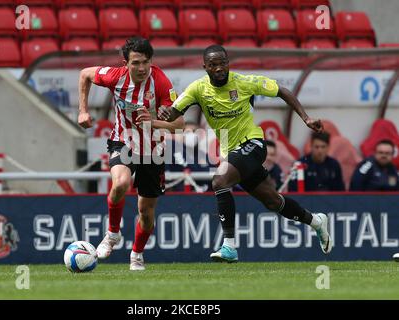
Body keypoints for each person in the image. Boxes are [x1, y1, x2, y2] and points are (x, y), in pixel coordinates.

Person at [159, 45, 332, 262]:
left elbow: (282, 91)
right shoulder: (197, 89)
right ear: (205, 67)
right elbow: (173, 114)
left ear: (228, 62)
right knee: (272, 201)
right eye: (213, 65)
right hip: (233, 153)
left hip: (253, 144)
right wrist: (165, 113)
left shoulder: (244, 82)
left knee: (220, 181)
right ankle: (316, 221)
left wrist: (306, 118)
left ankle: (229, 246)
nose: (219, 68)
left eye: (223, 62)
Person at [78, 37, 184, 270]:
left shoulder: (162, 83)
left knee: (146, 212)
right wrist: (83, 111)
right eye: (135, 63)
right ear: (125, 63)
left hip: (153, 151)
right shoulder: (115, 77)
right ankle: (113, 234)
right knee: (121, 183)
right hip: (122, 141)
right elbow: (85, 73)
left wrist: (154, 122)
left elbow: (180, 125)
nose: (141, 68)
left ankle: (136, 254)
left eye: (145, 62)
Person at [165, 121, 214, 192]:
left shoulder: (205, 156)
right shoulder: (172, 148)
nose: (191, 134)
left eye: (194, 131)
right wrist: (201, 169)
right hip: (177, 197)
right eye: (187, 132)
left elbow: (215, 175)